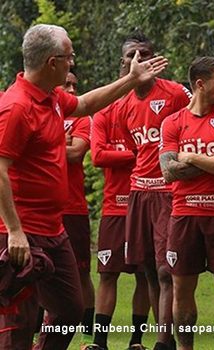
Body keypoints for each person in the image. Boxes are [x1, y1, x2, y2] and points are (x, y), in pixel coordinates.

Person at [0, 23, 167, 350]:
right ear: (51, 62)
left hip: (53, 228)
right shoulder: (16, 106)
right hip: (21, 232)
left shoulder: (52, 97)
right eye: (69, 57)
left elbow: (88, 104)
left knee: (69, 309)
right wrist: (15, 230)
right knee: (17, 320)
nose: (72, 63)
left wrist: (131, 80)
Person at [159, 56, 214, 350]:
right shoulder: (172, 122)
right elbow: (169, 172)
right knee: (182, 290)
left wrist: (193, 157)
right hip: (183, 215)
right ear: (200, 84)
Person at [119, 31, 191, 350]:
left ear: (154, 59)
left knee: (166, 269)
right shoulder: (122, 103)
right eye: (132, 55)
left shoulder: (175, 93)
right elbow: (134, 147)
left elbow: (197, 120)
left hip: (167, 192)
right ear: (123, 63)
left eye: (145, 54)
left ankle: (164, 342)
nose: (139, 60)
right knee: (148, 269)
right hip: (138, 192)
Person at [89, 80, 150, 350]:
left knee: (146, 275)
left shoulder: (148, 113)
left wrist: (124, 154)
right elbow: (98, 156)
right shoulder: (103, 113)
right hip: (114, 205)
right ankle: (99, 343)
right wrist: (135, 153)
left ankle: (136, 341)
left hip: (146, 201)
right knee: (107, 274)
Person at [61, 71, 95, 347]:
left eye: (75, 84)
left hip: (73, 205)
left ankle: (87, 324)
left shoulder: (81, 118)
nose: (72, 89)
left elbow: (76, 154)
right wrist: (61, 142)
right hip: (40, 208)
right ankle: (38, 323)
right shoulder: (35, 111)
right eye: (66, 84)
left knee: (81, 270)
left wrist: (41, 146)